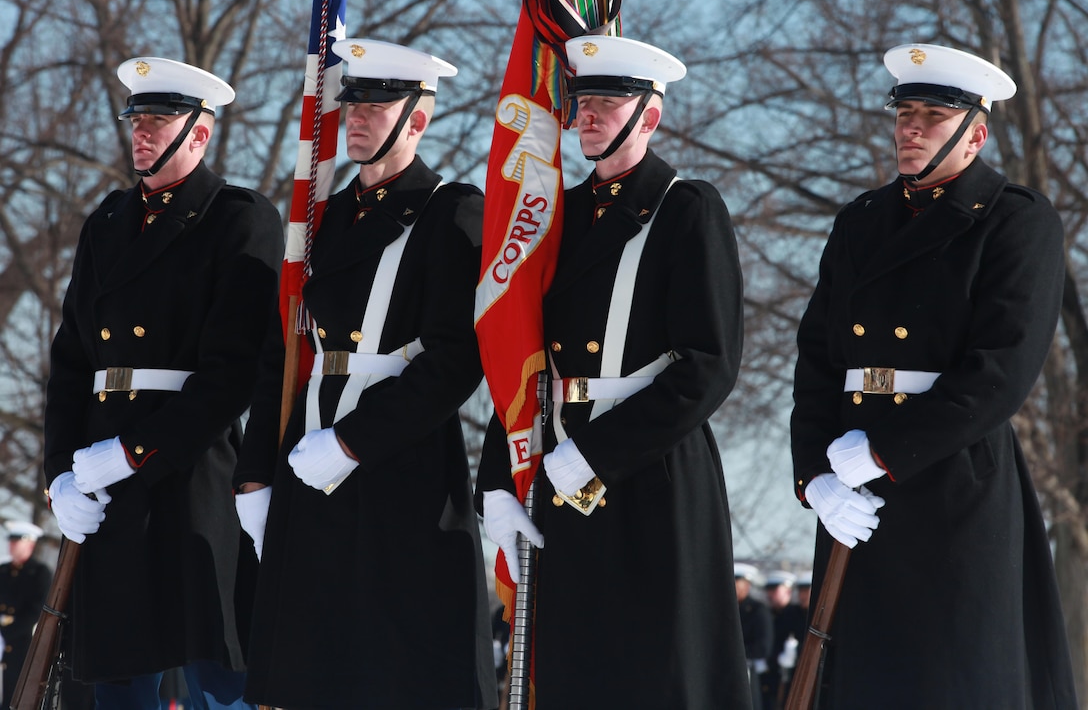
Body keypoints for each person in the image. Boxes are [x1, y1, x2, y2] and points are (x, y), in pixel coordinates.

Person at [790, 43, 1078, 709]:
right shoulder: (860, 220)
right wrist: (815, 479)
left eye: (933, 115)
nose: (910, 128)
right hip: (851, 495)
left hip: (953, 486)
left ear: (976, 133)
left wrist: (884, 451)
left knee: (950, 681)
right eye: (904, 113)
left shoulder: (1016, 220)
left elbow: (1000, 371)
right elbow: (817, 359)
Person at [477, 35, 751, 709]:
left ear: (649, 117)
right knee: (574, 674)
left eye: (607, 100)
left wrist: (596, 452)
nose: (588, 114)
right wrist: (495, 478)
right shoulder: (554, 215)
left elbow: (708, 366)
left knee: (654, 676)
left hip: (650, 476)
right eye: (582, 99)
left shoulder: (687, 208)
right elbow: (522, 356)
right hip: (557, 467)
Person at [233, 39, 497, 709]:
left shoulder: (450, 211)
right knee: (307, 673)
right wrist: (255, 469)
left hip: (396, 467)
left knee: (392, 672)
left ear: (418, 119)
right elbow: (283, 352)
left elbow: (455, 358)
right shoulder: (322, 218)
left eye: (377, 106)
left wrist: (353, 441)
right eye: (352, 102)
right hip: (306, 462)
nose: (356, 116)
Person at [42, 56, 283, 708]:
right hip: (99, 480)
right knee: (117, 678)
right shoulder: (109, 222)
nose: (141, 132)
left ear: (199, 135)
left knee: (215, 676)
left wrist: (129, 453)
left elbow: (233, 372)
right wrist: (58, 474)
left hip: (189, 472)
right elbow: (70, 363)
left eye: (158, 119)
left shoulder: (239, 218)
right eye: (136, 119)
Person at [0, 521, 50, 707]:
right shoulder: (3, 571)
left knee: (14, 696)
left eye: (17, 540)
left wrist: (5, 634)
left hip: (21, 644)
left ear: (30, 543)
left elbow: (35, 611)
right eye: (10, 540)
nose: (11, 544)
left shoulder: (39, 573)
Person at [760, 570, 804, 710]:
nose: (770, 594)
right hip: (771, 672)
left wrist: (793, 651)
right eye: (769, 590)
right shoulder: (767, 613)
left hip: (790, 674)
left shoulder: (795, 614)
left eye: (775, 590)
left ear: (788, 591)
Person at [735, 563, 772, 710]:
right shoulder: (724, 610)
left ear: (746, 586)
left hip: (748, 669)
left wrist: (736, 652)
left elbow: (763, 647)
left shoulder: (758, 610)